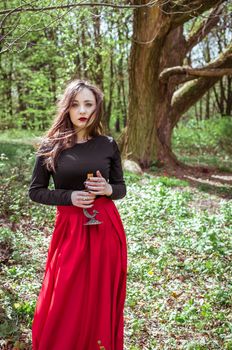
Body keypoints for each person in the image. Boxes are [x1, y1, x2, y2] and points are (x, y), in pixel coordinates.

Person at [28, 78, 128, 350]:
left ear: (97, 109)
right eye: (75, 104)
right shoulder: (51, 145)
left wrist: (107, 188)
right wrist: (69, 197)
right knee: (65, 294)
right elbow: (35, 191)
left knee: (99, 295)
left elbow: (121, 189)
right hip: (70, 230)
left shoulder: (107, 144)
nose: (82, 111)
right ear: (67, 108)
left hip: (105, 227)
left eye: (88, 104)